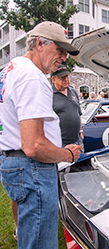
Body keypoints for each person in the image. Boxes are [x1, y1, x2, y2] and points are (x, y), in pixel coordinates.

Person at [0, 21, 82, 249]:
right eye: (60, 50)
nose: (64, 57)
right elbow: (34, 145)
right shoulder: (32, 76)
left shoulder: (10, 69)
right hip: (33, 168)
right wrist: (67, 155)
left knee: (30, 239)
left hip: (14, 162)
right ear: (39, 44)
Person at [51, 65, 84, 152]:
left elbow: (78, 113)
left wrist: (81, 131)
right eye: (62, 77)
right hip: (60, 142)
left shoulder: (72, 91)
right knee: (64, 165)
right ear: (54, 79)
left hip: (77, 140)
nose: (66, 79)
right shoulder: (49, 95)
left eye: (67, 77)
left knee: (79, 164)